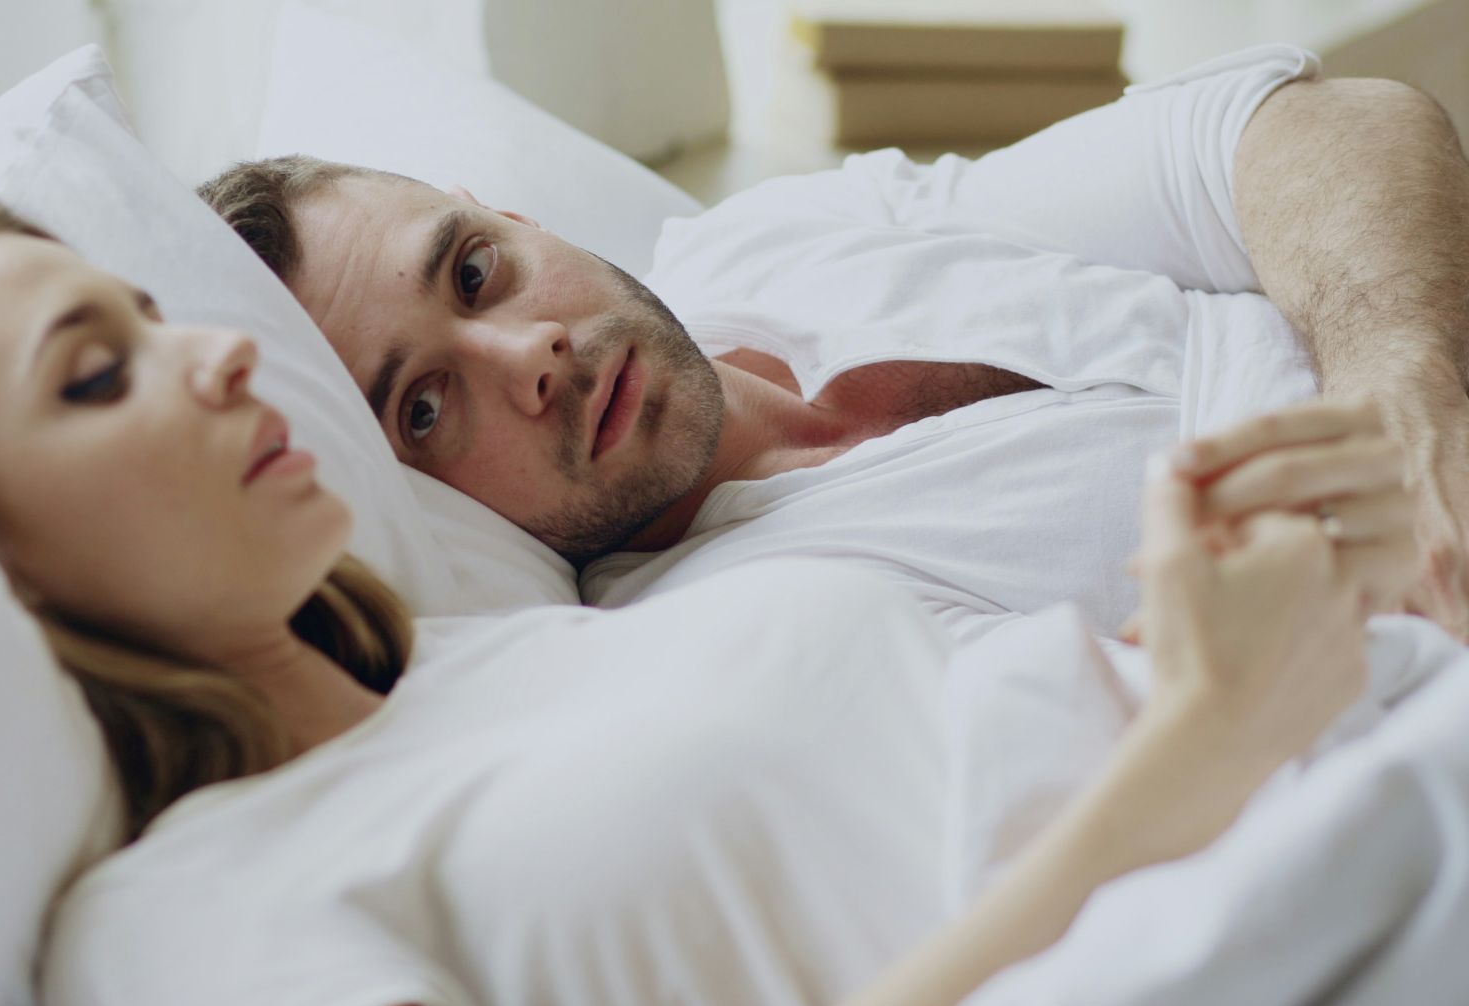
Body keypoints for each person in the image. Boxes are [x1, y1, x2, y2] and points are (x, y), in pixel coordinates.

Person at [0, 193, 1420, 1006]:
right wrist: (1196, 750)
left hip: (1347, 776)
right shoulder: (175, 924)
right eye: (96, 374)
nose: (219, 360)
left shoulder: (515, 640)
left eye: (154, 319)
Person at [199, 45, 1469, 642]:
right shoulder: (753, 633)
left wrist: (1405, 397)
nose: (524, 354)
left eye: (475, 270)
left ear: (517, 219)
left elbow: (1318, 125)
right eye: (424, 408)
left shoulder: (782, 236)